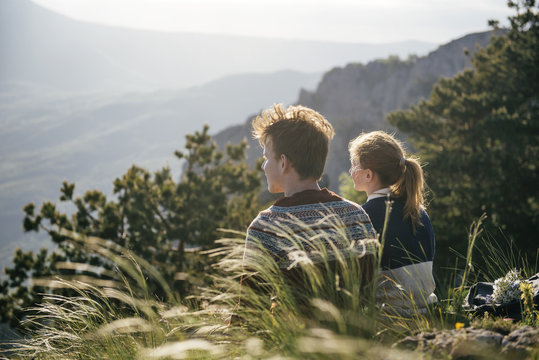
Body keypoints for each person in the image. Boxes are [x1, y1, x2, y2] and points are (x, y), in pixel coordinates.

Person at [242, 104, 377, 306]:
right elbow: (369, 292)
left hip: (294, 336)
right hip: (356, 335)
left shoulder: (266, 227)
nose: (263, 166)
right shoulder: (357, 215)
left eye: (266, 157)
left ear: (283, 163)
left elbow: (250, 308)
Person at [348, 131, 437, 314]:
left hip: (390, 317)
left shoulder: (364, 215)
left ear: (368, 175)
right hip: (429, 311)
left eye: (354, 164)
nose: (350, 170)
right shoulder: (418, 210)